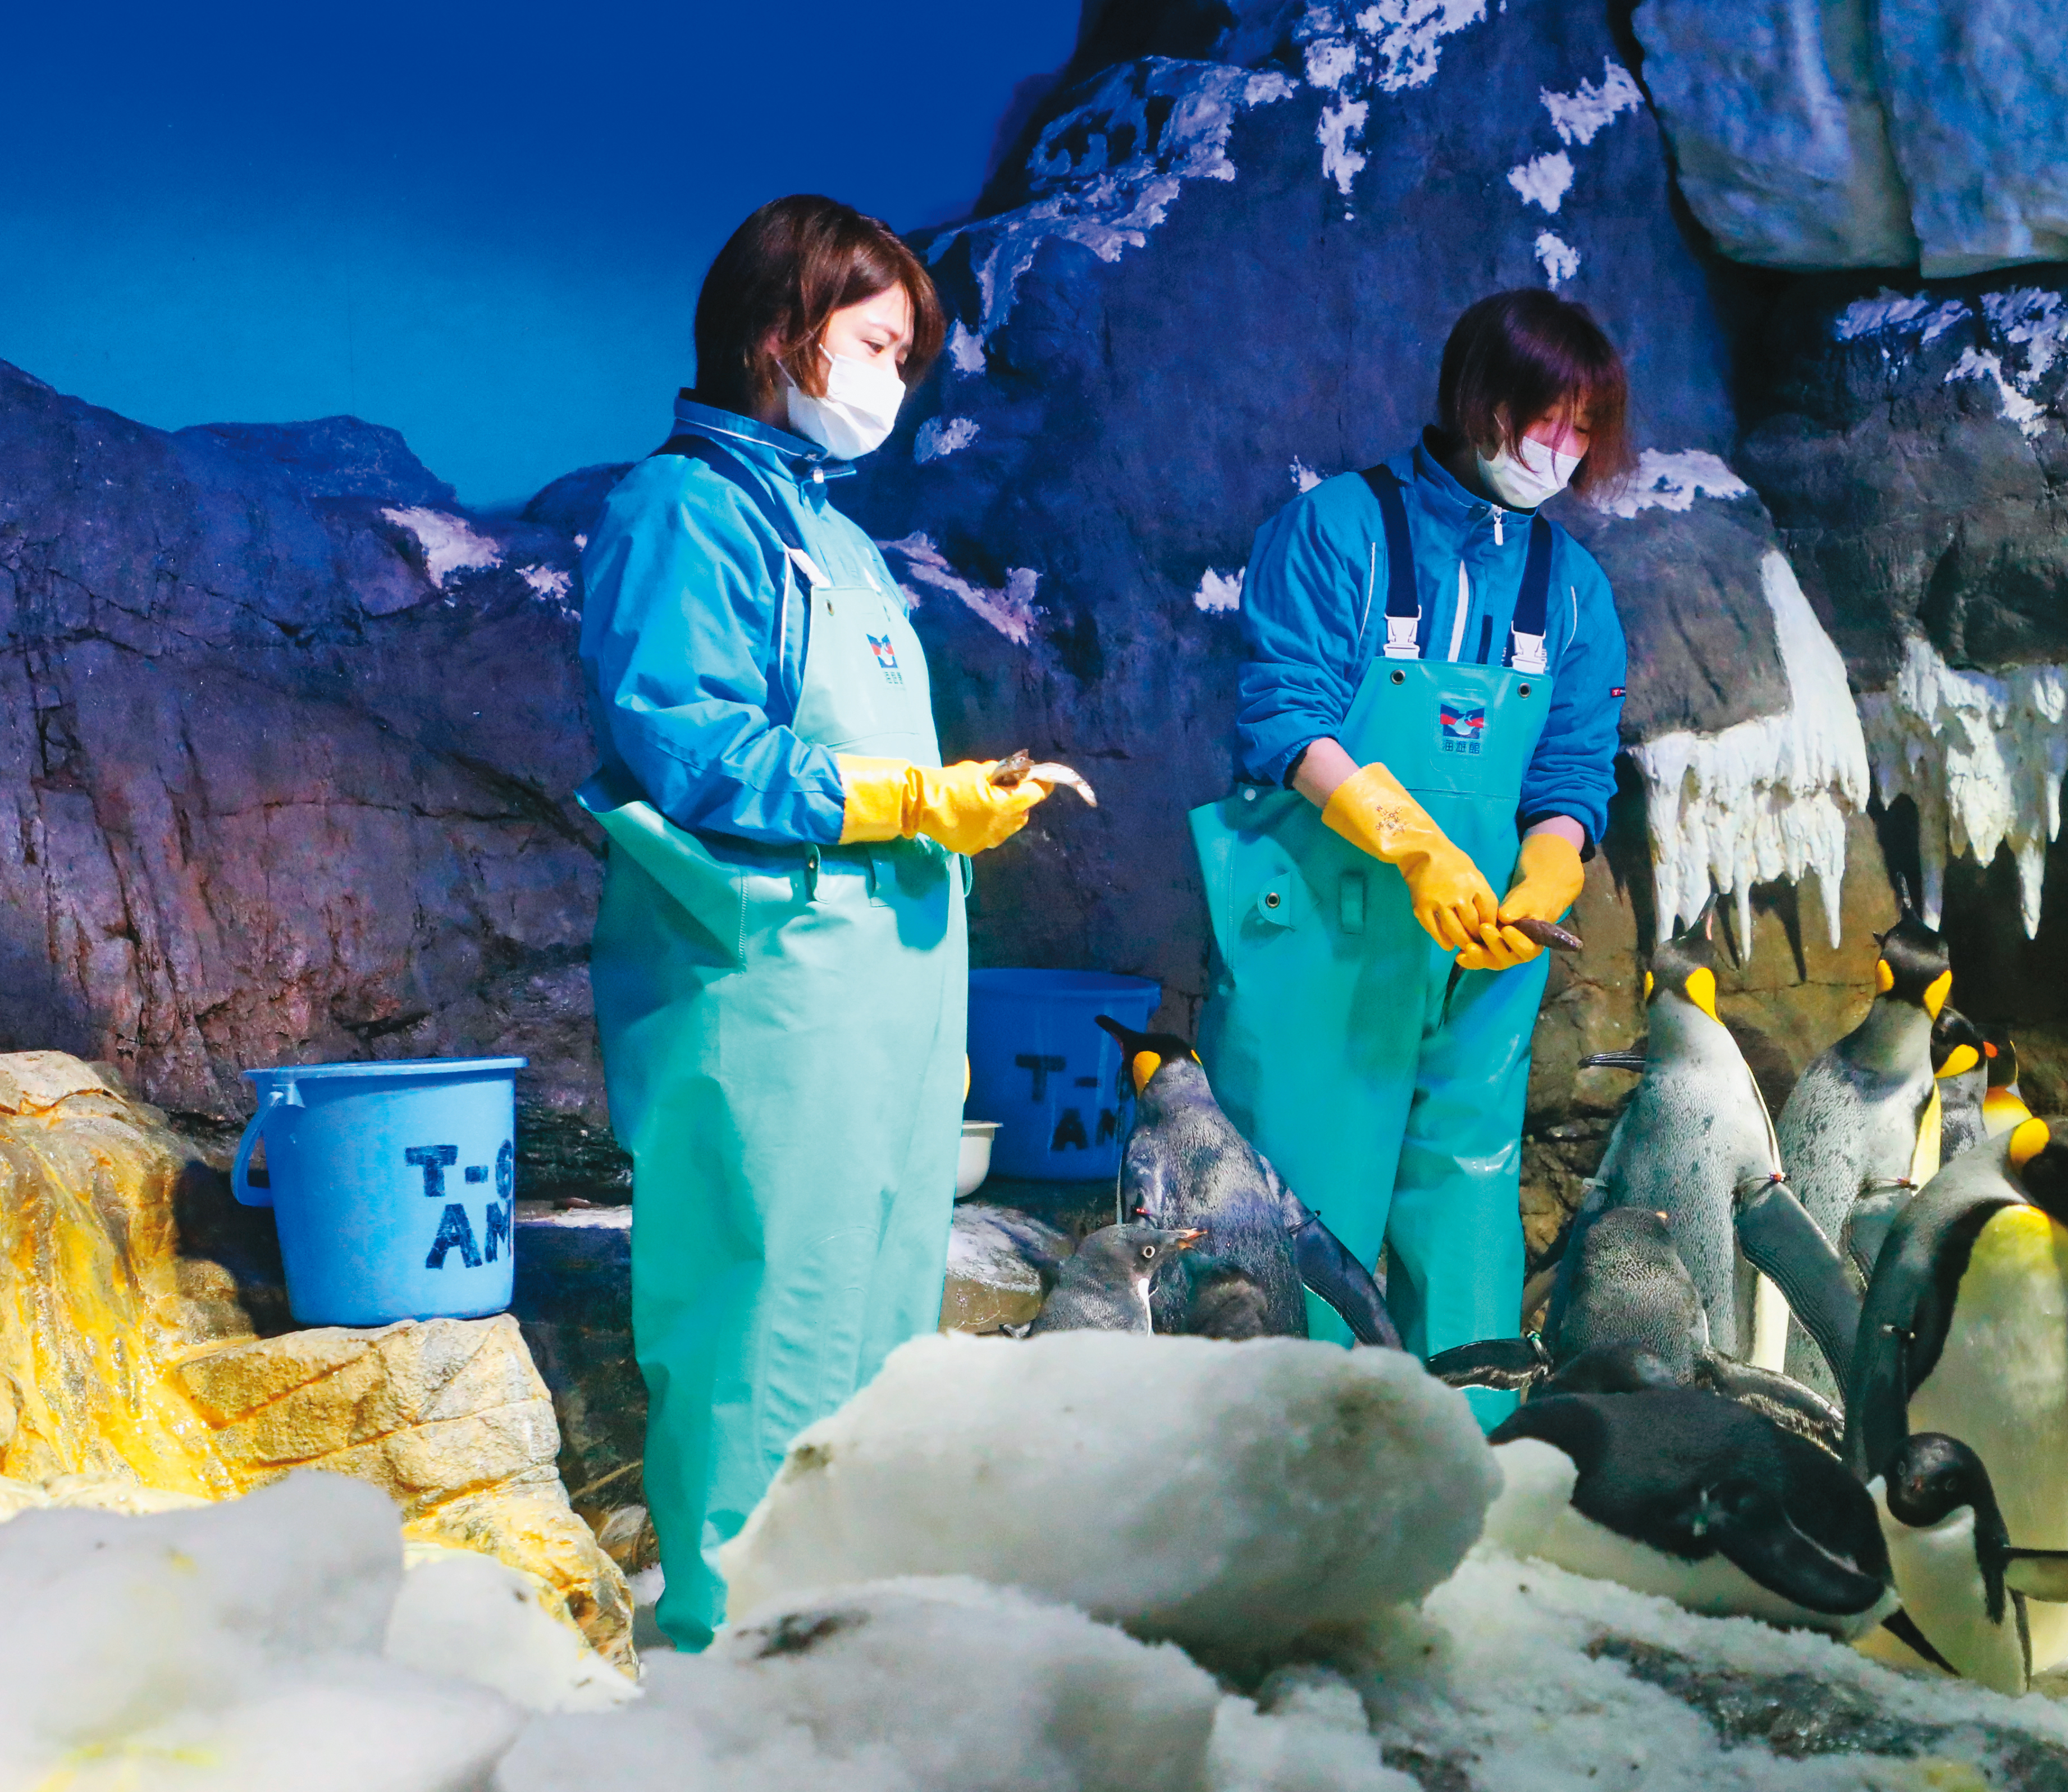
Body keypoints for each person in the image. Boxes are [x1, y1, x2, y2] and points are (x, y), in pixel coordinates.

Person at [573, 194, 1081, 1651]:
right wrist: (904, 803)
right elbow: (692, 746)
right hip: (767, 990)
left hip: (880, 996)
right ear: (777, 335)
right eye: (876, 344)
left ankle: (848, 1638)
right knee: (764, 1324)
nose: (894, 382)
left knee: (872, 1331)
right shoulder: (683, 511)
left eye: (909, 356)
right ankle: (733, 1656)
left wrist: (944, 800)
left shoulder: (837, 544)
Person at [1190, 289, 1629, 1386]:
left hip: (1483, 949)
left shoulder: (1572, 590)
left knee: (1469, 1208)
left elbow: (1575, 769)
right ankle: (1279, 1478)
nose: (1561, 450)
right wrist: (1414, 845)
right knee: (1303, 1220)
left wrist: (1550, 867)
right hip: (1327, 941)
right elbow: (1287, 717)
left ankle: (1468, 1479)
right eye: (1545, 418)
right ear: (1481, 396)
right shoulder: (1337, 528)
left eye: (1583, 430)